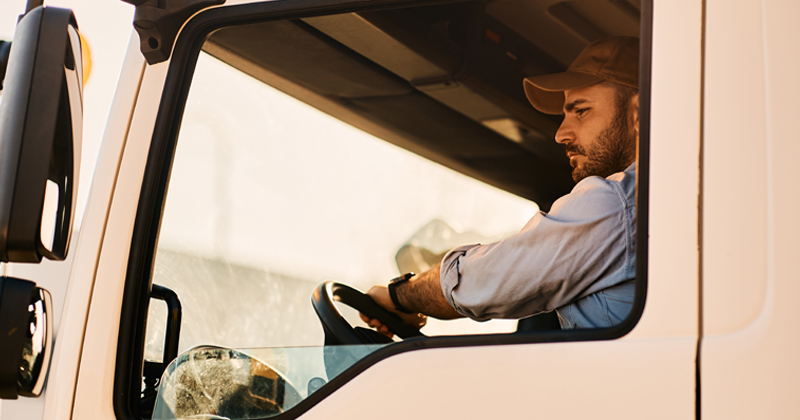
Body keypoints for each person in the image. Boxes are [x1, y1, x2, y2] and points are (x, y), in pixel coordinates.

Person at [361, 36, 640, 333]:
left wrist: (399, 297)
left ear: (640, 113)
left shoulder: (618, 203)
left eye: (581, 111)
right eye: (565, 115)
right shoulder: (659, 202)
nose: (561, 134)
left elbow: (486, 280)